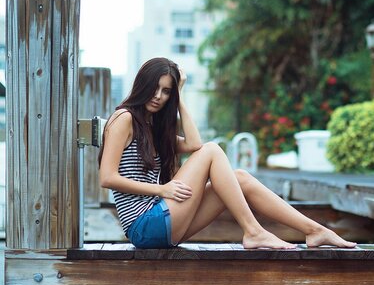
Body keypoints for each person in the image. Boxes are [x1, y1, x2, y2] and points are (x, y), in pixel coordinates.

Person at [99, 57, 356, 250]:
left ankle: (314, 229)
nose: (159, 96)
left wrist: (180, 96)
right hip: (144, 226)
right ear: (142, 85)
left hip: (161, 221)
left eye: (166, 91)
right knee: (213, 150)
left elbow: (193, 144)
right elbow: (107, 178)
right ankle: (253, 231)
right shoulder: (124, 118)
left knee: (241, 177)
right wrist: (162, 190)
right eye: (155, 88)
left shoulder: (152, 127)